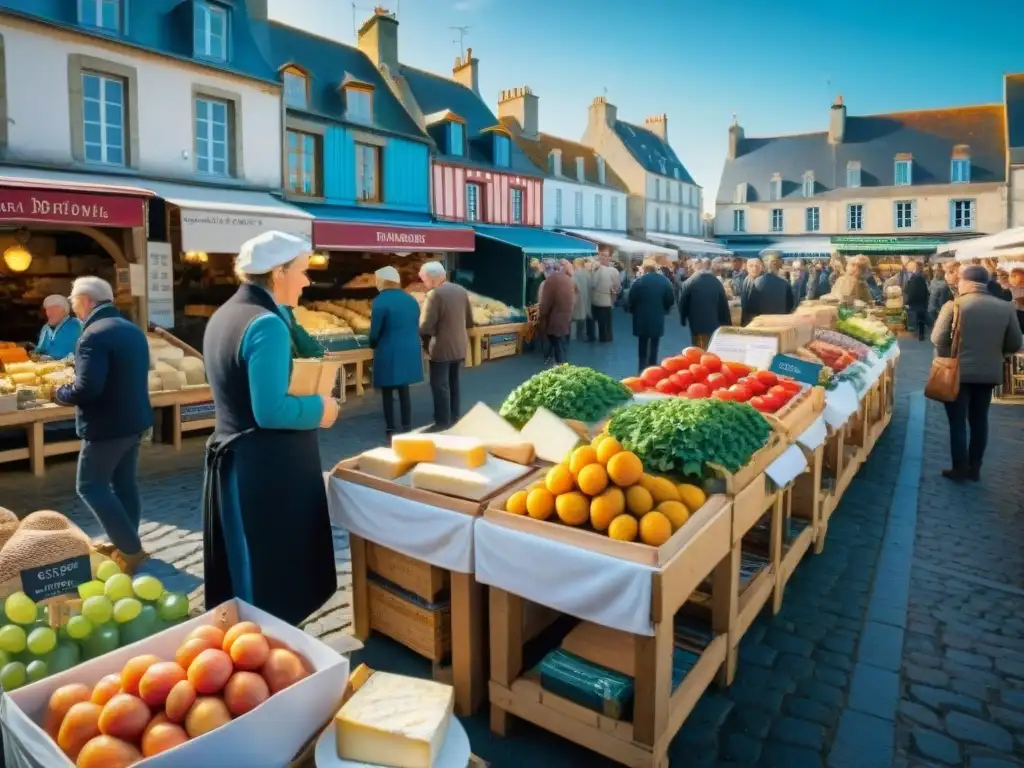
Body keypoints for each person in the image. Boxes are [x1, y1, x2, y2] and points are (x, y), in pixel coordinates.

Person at [201, 231, 338, 625]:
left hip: (236, 461)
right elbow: (271, 410)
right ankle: (271, 646)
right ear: (278, 273)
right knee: (271, 569)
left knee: (246, 564)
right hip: (266, 468)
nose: (307, 281)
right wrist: (321, 409)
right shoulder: (265, 326)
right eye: (302, 271)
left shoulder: (226, 314)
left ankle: (254, 639)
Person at [55, 277, 152, 574]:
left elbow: (88, 388)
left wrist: (59, 393)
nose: (74, 308)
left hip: (107, 425)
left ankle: (131, 550)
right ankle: (128, 543)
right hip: (134, 420)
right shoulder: (132, 329)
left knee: (91, 485)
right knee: (123, 485)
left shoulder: (93, 335)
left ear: (85, 300)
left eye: (73, 301)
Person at [931, 265, 1022, 482]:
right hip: (989, 374)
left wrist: (947, 356)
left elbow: (937, 339)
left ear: (966, 282)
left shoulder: (954, 306)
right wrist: (994, 355)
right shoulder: (1005, 308)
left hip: (957, 373)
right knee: (980, 420)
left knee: (957, 422)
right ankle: (975, 468)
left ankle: (959, 468)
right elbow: (1015, 343)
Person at [369, 266, 423, 438]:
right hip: (410, 348)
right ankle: (407, 425)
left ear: (383, 281)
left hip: (389, 349)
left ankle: (391, 427)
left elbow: (375, 330)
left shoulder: (380, 301)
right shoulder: (411, 300)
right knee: (403, 388)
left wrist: (372, 343)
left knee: (387, 390)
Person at [419, 261, 472, 429]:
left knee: (439, 384)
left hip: (441, 347)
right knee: (453, 381)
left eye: (424, 280)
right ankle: (455, 415)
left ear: (432, 278)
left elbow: (426, 325)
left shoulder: (434, 295)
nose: (424, 284)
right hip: (460, 345)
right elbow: (469, 320)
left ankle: (443, 421)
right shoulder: (461, 291)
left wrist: (423, 336)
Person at [627, 260, 675, 371]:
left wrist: (633, 310)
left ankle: (641, 366)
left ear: (644, 269)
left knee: (642, 342)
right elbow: (670, 299)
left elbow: (631, 299)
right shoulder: (664, 281)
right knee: (655, 342)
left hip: (641, 317)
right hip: (657, 316)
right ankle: (652, 366)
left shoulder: (639, 282)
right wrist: (665, 309)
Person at [679, 257, 731, 350]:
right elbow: (723, 304)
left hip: (696, 322)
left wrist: (682, 319)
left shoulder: (689, 282)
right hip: (714, 322)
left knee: (697, 348)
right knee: (711, 347)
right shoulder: (716, 282)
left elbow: (683, 303)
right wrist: (726, 322)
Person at [537, 260, 575, 365]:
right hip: (566, 319)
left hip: (554, 320)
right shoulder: (567, 279)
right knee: (562, 345)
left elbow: (545, 303)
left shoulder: (551, 280)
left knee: (556, 346)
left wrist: (541, 316)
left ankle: (559, 367)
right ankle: (563, 366)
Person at [745, 256, 794, 322]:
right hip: (779, 322)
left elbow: (751, 307)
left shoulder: (756, 282)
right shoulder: (785, 284)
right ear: (776, 264)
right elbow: (790, 307)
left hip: (762, 323)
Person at [35, 294, 82, 360]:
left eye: (53, 309)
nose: (49, 313)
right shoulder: (45, 328)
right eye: (47, 309)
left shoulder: (76, 325)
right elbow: (40, 349)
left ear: (64, 310)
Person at [591, 254, 620, 342]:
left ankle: (603, 337)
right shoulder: (614, 271)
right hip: (608, 299)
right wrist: (614, 295)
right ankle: (608, 336)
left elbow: (592, 284)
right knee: (607, 320)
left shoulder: (597, 270)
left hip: (598, 299)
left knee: (601, 321)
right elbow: (617, 286)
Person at [903, 261, 930, 341]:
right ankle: (920, 334)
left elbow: (911, 291)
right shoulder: (920, 277)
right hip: (921, 301)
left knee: (918, 318)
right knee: (920, 318)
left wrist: (908, 301)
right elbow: (925, 291)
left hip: (916, 302)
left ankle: (919, 334)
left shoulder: (915, 278)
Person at [571, 258, 595, 342]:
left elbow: (573, 286)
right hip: (588, 297)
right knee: (586, 315)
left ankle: (574, 336)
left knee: (575, 317)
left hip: (578, 298)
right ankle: (585, 334)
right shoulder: (588, 274)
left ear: (576, 264)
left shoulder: (575, 274)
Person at [739, 258, 764, 325]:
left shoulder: (764, 282)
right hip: (746, 320)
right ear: (747, 268)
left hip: (759, 322)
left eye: (757, 266)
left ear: (761, 268)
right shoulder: (746, 280)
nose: (754, 268)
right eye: (751, 266)